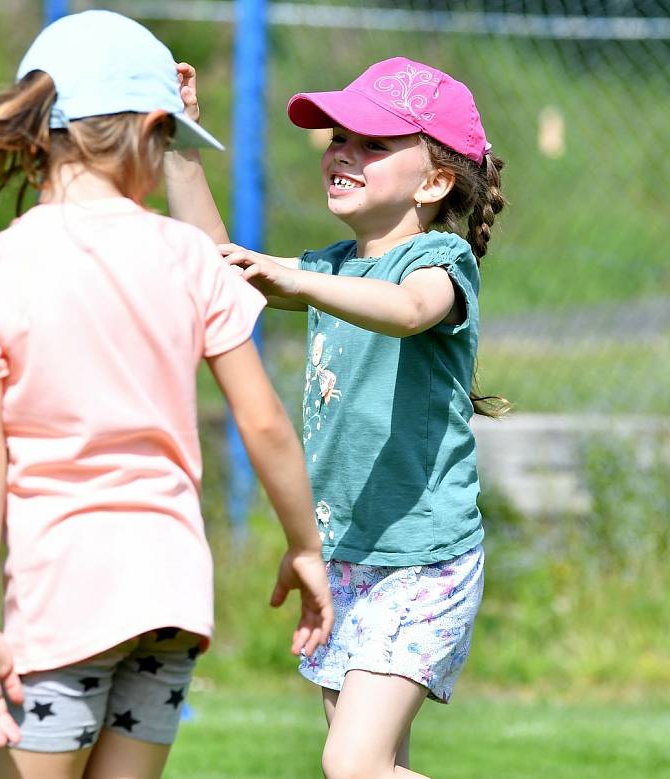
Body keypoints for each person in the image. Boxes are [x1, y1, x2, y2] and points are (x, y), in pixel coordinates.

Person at [0, 10, 333, 779]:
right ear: (154, 129)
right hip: (170, 600)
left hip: (63, 600)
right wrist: (305, 547)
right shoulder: (190, 259)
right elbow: (264, 425)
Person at [164, 55, 507, 779]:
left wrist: (300, 278)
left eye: (373, 143)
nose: (342, 152)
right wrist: (179, 141)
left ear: (436, 180)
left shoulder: (439, 261)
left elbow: (412, 311)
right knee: (373, 765)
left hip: (423, 560)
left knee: (352, 765)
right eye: (338, 137)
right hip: (348, 553)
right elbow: (217, 268)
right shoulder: (336, 267)